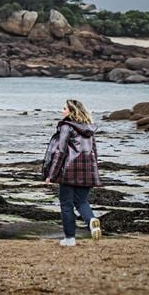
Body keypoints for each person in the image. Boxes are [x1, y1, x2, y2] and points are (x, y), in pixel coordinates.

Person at [43, 98, 103, 246]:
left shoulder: (66, 126)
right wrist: (94, 172)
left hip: (68, 171)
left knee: (66, 204)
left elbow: (60, 151)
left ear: (71, 112)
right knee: (82, 202)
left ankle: (70, 239)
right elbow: (94, 152)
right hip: (87, 171)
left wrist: (51, 174)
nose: (62, 111)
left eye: (64, 108)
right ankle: (91, 220)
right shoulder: (89, 128)